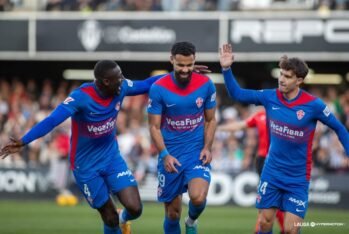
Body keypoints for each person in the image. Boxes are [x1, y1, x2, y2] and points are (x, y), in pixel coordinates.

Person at [0, 60, 165, 234]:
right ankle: (116, 222)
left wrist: (182, 74)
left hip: (111, 158)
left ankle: (124, 219)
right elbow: (52, 120)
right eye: (118, 78)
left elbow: (147, 83)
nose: (123, 80)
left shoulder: (121, 87)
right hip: (86, 166)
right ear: (105, 81)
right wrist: (25, 140)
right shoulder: (81, 97)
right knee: (109, 217)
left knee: (135, 208)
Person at [219, 44, 349, 234]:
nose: (282, 79)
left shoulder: (314, 105)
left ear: (299, 81)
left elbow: (339, 128)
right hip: (272, 172)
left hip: (297, 178)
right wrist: (226, 68)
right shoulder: (270, 97)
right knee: (264, 223)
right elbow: (237, 94)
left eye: (287, 77)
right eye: (281, 74)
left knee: (290, 230)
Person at [147, 41, 217, 234]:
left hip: (195, 152)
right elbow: (153, 126)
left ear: (195, 61)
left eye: (189, 65)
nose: (185, 69)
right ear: (171, 60)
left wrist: (207, 147)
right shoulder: (158, 88)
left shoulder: (206, 85)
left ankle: (192, 221)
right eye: (181, 65)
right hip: (170, 155)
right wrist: (164, 154)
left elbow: (211, 120)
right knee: (172, 214)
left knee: (198, 197)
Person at [218, 107, 285, 234]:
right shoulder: (260, 115)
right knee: (269, 195)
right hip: (264, 160)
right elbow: (240, 125)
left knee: (271, 195)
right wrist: (219, 128)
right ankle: (268, 228)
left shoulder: (279, 113)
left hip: (275, 160)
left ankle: (267, 228)